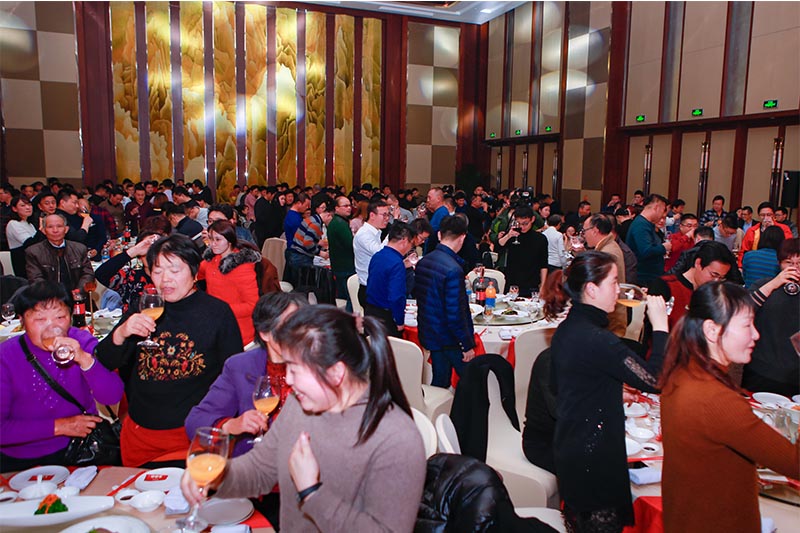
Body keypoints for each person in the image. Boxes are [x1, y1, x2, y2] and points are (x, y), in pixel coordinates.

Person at [180, 305, 426, 532]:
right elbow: (260, 470)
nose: (288, 380)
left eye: (295, 370)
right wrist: (216, 475)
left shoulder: (396, 439)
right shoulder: (299, 406)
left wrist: (312, 493)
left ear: (336, 374)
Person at [659, 282, 799, 533]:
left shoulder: (682, 370)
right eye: (747, 325)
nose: (756, 335)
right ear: (712, 330)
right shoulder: (716, 398)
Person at [96, 234, 243, 467]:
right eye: (157, 271)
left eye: (175, 270)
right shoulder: (144, 307)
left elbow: (234, 377)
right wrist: (121, 333)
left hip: (194, 435)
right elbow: (105, 360)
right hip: (141, 435)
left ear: (194, 273)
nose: (165, 279)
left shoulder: (217, 313)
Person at [550, 251, 669, 532]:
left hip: (572, 446)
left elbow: (564, 385)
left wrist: (608, 391)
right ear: (592, 289)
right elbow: (655, 379)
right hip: (594, 456)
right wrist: (661, 326)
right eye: (614, 282)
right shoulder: (598, 339)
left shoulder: (568, 328)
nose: (619, 290)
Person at [0, 281, 124, 472]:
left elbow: (112, 396)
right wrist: (60, 426)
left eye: (60, 317)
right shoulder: (6, 356)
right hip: (18, 460)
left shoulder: (81, 341)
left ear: (71, 316)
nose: (52, 326)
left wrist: (84, 359)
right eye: (40, 319)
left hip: (78, 450)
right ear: (22, 321)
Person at [185, 292, 308, 458]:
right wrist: (231, 425)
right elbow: (196, 421)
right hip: (254, 463)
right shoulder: (241, 367)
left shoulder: (319, 365)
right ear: (265, 333)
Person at [413, 215, 476, 388]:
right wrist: (466, 344)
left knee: (440, 380)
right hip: (449, 338)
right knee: (471, 382)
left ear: (440, 235)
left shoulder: (424, 261)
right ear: (462, 237)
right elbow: (455, 313)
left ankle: (435, 407)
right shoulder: (453, 269)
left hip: (430, 332)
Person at [743, 238, 800, 396]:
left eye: (799, 263)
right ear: (779, 264)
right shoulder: (763, 285)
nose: (795, 268)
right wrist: (774, 284)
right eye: (788, 262)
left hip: (795, 376)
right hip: (761, 370)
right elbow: (742, 312)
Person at [198, 220, 261, 345]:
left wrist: (220, 309)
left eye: (218, 239)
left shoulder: (242, 268)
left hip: (238, 332)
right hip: (216, 326)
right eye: (211, 239)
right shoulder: (211, 261)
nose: (213, 244)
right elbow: (196, 275)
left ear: (230, 240)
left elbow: (252, 305)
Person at [650, 241, 735, 329]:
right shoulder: (666, 285)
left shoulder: (715, 294)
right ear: (698, 263)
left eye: (721, 278)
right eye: (714, 275)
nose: (716, 281)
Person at [365, 222, 416, 337]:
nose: (410, 248)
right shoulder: (396, 263)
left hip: (370, 311)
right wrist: (399, 321)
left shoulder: (377, 256)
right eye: (411, 244)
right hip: (386, 317)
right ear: (404, 241)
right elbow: (396, 297)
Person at [94, 230, 164, 312]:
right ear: (139, 257)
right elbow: (100, 275)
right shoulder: (130, 277)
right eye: (148, 252)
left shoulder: (170, 279)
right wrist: (133, 251)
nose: (152, 257)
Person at [25, 213, 94, 294]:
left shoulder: (80, 248)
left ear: (66, 229)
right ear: (43, 230)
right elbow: (35, 279)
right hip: (48, 297)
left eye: (59, 226)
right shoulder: (33, 252)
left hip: (77, 295)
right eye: (50, 227)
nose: (55, 230)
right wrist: (55, 294)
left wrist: (79, 290)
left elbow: (88, 274)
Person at [582, 214, 627, 336]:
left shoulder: (608, 253)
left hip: (610, 318)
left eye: (584, 231)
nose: (584, 235)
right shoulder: (608, 246)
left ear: (595, 230)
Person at [496, 205, 549, 297]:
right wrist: (508, 236)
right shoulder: (512, 235)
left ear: (532, 219)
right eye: (519, 223)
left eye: (525, 223)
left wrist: (543, 285)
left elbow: (543, 264)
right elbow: (498, 248)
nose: (522, 227)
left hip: (531, 284)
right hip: (512, 283)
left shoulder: (540, 239)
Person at [626, 193, 671, 283]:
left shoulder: (647, 224)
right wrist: (664, 247)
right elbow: (646, 251)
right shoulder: (641, 225)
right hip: (643, 278)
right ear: (656, 207)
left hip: (650, 276)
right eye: (663, 210)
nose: (662, 215)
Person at [353, 200, 389, 306]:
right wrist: (392, 234)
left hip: (376, 286)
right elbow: (380, 253)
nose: (387, 218)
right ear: (372, 215)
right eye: (384, 215)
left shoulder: (375, 232)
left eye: (388, 215)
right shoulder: (364, 234)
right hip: (369, 289)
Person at [328, 195, 356, 311]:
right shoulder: (339, 223)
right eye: (345, 206)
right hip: (345, 266)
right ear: (337, 208)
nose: (349, 208)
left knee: (346, 298)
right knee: (350, 299)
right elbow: (351, 244)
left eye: (350, 205)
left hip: (340, 266)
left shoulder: (337, 221)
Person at [6, 196, 38, 277]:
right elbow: (29, 243)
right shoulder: (13, 224)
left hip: (33, 260)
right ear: (14, 209)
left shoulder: (29, 224)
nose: (28, 207)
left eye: (29, 204)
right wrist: (42, 230)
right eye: (23, 205)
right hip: (22, 261)